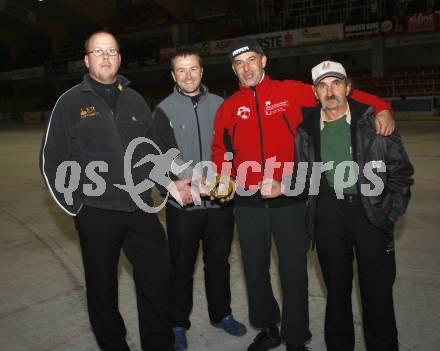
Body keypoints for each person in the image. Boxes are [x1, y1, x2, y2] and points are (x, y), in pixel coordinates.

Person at [211, 38, 396, 351]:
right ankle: (268, 326)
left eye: (251, 60)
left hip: (291, 195)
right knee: (254, 269)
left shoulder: (291, 91)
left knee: (293, 270)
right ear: (234, 69)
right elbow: (221, 151)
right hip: (247, 200)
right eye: (239, 64)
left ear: (263, 61)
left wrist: (383, 107)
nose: (246, 69)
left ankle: (296, 337)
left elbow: (340, 97)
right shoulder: (228, 108)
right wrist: (221, 177)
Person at [40, 30, 184, 351]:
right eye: (98, 52)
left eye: (111, 52)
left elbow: (151, 152)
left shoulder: (135, 100)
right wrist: (77, 206)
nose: (105, 57)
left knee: (157, 281)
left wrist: (168, 184)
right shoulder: (70, 102)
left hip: (141, 208)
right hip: (97, 213)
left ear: (119, 58)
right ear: (87, 59)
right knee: (102, 289)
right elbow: (52, 160)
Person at [293, 60, 413, 351]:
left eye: (336, 83)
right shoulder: (305, 129)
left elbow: (400, 171)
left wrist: (391, 210)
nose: (329, 91)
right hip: (329, 214)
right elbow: (302, 175)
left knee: (377, 293)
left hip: (370, 211)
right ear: (315, 92)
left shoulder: (373, 122)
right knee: (336, 292)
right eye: (322, 85)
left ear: (348, 87)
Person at [152, 49, 246, 351]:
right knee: (181, 266)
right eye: (181, 70)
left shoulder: (221, 105)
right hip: (185, 204)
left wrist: (226, 180)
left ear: (202, 72)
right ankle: (178, 322)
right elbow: (164, 156)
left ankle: (222, 314)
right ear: (173, 75)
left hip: (219, 204)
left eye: (193, 69)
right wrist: (196, 178)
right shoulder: (163, 110)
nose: (188, 75)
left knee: (219, 263)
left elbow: (232, 147)